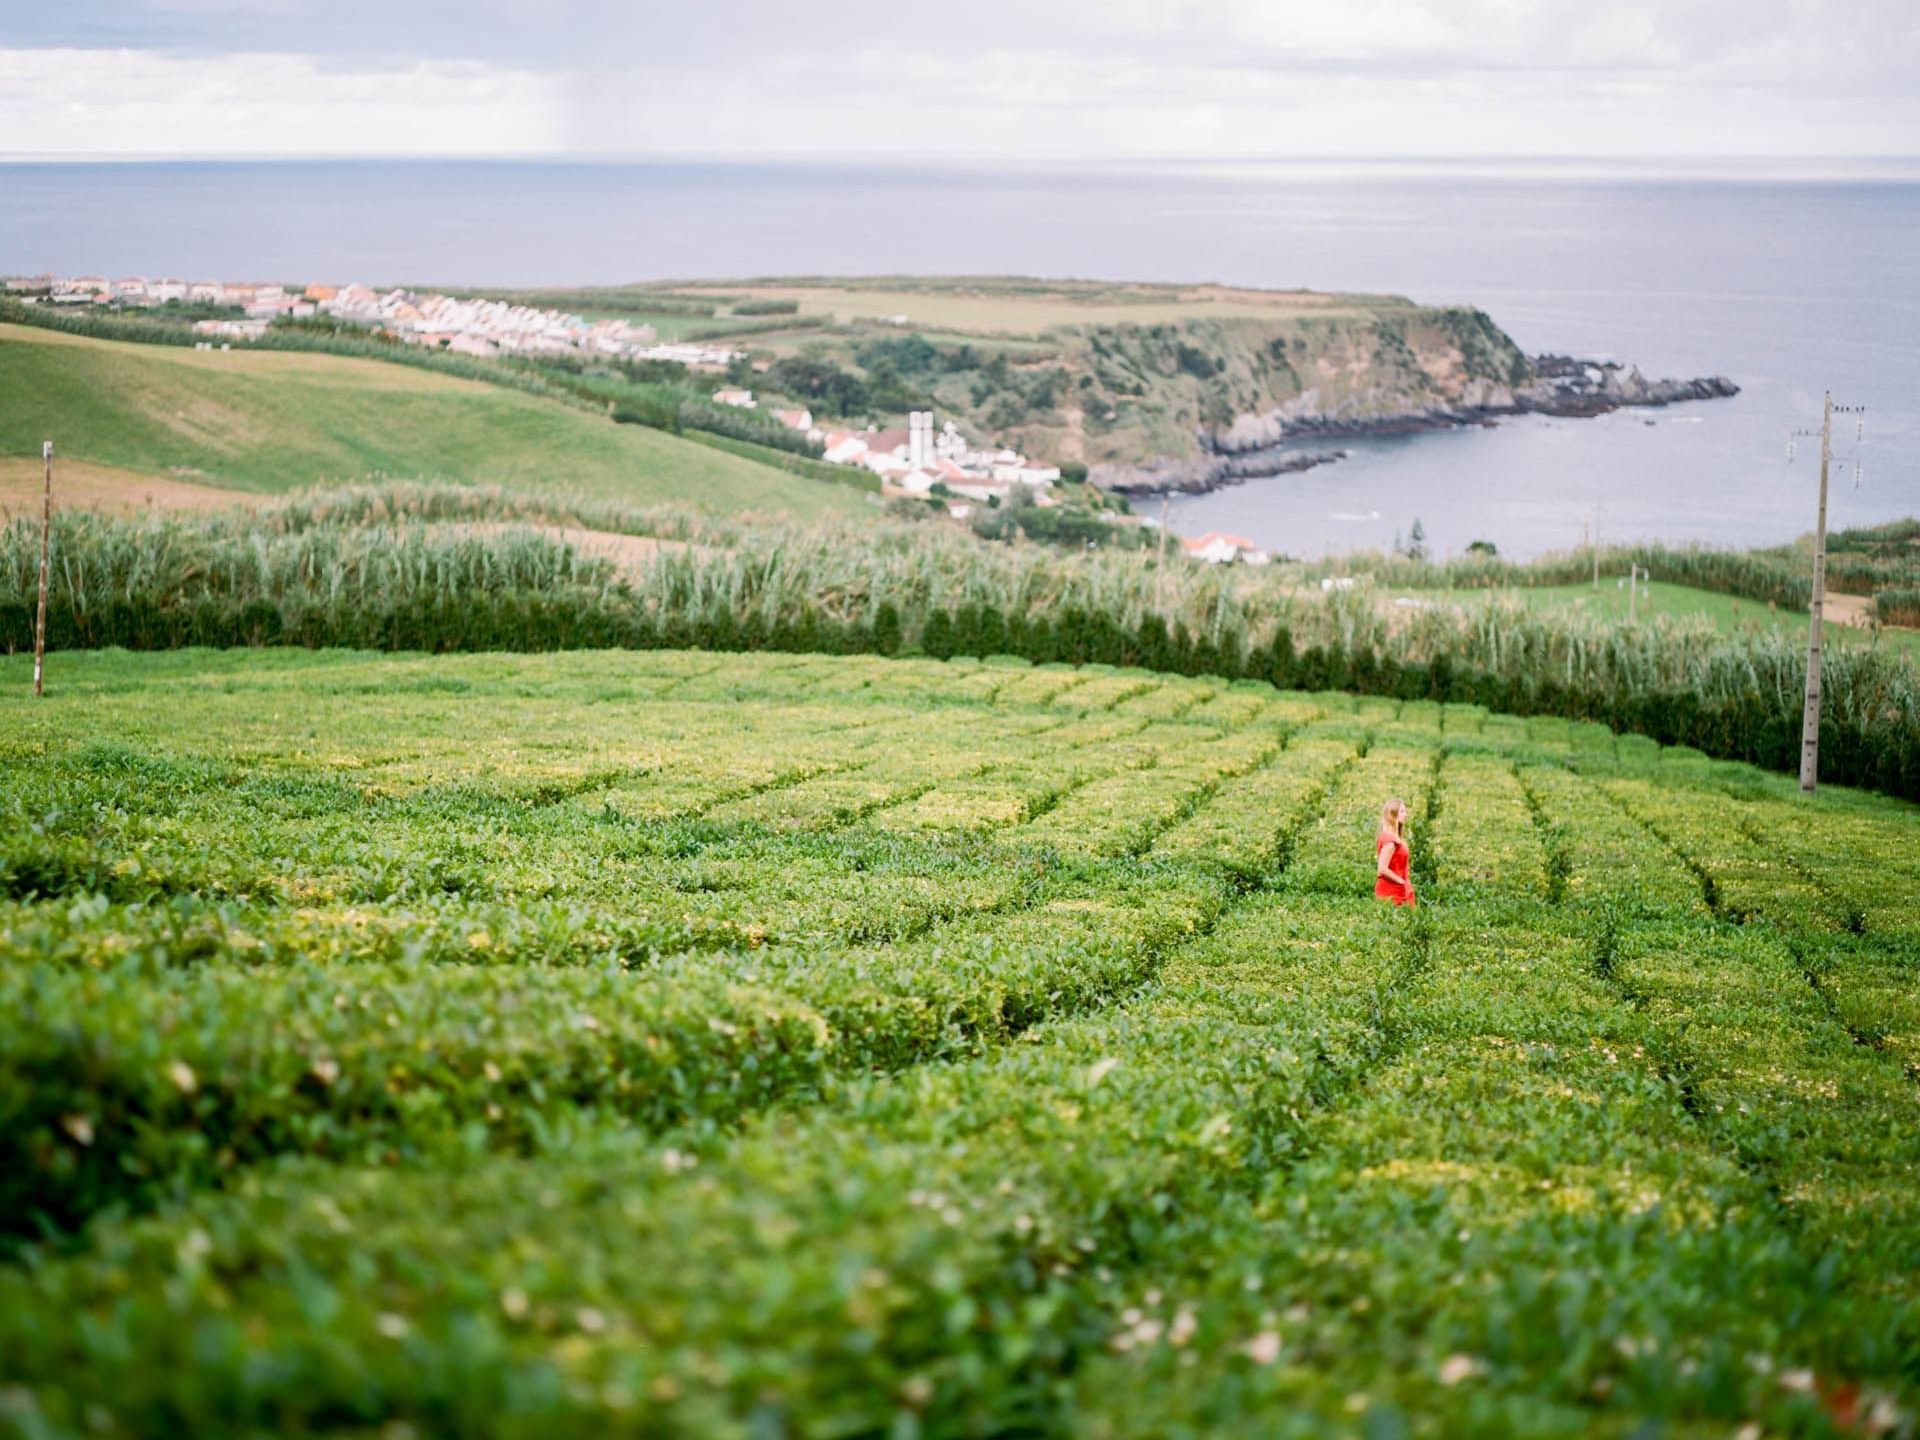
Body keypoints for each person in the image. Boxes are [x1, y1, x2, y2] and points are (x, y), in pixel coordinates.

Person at [1374, 797, 1416, 907]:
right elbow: (1382, 869)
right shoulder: (1390, 841)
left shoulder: (1395, 837)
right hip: (1392, 892)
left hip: (1401, 890)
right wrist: (1400, 881)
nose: (1405, 814)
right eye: (1402, 811)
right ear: (1393, 814)